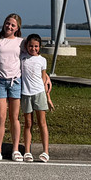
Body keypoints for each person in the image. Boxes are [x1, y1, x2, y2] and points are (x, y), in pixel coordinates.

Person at [0, 13, 24, 161]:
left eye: (13, 25)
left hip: (16, 82)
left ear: (17, 28)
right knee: (1, 117)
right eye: (8, 23)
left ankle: (15, 149)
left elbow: (32, 58)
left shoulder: (21, 42)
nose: (9, 27)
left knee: (15, 117)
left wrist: (45, 77)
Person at [19, 34, 54, 162]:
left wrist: (48, 97)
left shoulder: (42, 60)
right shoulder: (22, 57)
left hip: (39, 93)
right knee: (28, 123)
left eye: (36, 46)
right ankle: (27, 151)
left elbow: (44, 78)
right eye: (30, 46)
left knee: (42, 123)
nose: (33, 48)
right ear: (26, 46)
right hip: (26, 94)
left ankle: (45, 151)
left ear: (39, 47)